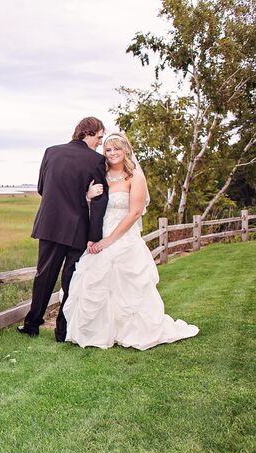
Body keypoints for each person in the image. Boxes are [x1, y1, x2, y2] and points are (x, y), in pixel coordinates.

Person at [63, 133, 199, 350]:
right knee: (94, 279)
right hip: (101, 235)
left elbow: (135, 213)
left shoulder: (135, 177)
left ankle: (132, 331)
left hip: (124, 237)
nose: (113, 153)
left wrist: (109, 240)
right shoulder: (101, 175)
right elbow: (95, 209)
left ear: (126, 150)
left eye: (117, 148)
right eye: (108, 150)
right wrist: (88, 196)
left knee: (128, 285)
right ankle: (101, 332)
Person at [19, 117, 109, 342]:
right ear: (88, 132)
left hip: (49, 224)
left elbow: (42, 188)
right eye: (99, 136)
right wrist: (94, 236)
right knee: (70, 280)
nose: (100, 142)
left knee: (44, 277)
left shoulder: (51, 152)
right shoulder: (97, 160)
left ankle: (32, 325)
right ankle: (62, 331)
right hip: (77, 229)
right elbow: (99, 201)